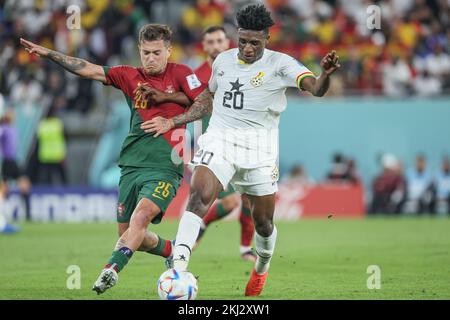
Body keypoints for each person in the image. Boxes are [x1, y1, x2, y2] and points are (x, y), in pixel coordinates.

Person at [141, 4, 340, 296]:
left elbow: (315, 88)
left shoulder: (281, 64)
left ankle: (261, 268)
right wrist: (175, 120)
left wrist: (324, 75)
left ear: (266, 40)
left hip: (260, 150)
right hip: (219, 140)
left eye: (254, 43)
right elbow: (208, 98)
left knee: (263, 223)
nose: (247, 48)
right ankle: (178, 268)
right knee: (198, 197)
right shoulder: (222, 61)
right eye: (243, 41)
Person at [20, 23, 209, 295]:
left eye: (157, 52)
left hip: (166, 166)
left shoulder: (182, 73)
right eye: (146, 52)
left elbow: (204, 104)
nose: (151, 58)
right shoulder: (128, 76)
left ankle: (111, 270)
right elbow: (87, 68)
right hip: (131, 165)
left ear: (169, 50)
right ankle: (171, 249)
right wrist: (50, 54)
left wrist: (171, 120)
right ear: (139, 51)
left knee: (141, 217)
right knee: (133, 234)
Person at [193, 25, 256, 262]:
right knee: (229, 202)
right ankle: (199, 226)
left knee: (250, 197)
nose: (216, 46)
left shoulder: (240, 69)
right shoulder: (196, 76)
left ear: (227, 42)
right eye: (211, 42)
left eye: (220, 40)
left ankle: (245, 249)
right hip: (214, 146)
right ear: (204, 46)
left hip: (244, 143)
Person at [0, 109, 31, 233]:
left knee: (25, 185)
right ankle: (4, 216)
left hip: (15, 161)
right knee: (4, 189)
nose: (13, 115)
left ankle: (28, 215)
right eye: (10, 114)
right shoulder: (3, 128)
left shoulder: (13, 128)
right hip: (7, 162)